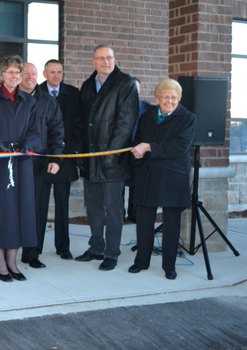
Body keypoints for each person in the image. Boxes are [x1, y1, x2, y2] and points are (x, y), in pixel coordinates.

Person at [0, 55, 41, 282]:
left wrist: (27, 146)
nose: (14, 76)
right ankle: (0, 261)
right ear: (1, 75)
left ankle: (13, 261)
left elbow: (35, 132)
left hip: (21, 165)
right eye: (10, 72)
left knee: (19, 212)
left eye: (17, 72)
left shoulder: (30, 102)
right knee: (0, 213)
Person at [75, 45, 138, 271]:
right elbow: (82, 123)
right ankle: (96, 248)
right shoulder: (87, 85)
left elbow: (125, 122)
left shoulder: (125, 83)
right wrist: (80, 154)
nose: (105, 62)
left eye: (109, 58)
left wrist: (111, 153)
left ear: (114, 60)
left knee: (113, 209)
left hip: (113, 159)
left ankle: (111, 253)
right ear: (93, 62)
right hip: (91, 158)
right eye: (101, 58)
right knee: (93, 206)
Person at [129, 79, 196, 280]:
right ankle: (141, 261)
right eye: (166, 97)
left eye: (174, 97)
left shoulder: (188, 118)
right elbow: (137, 140)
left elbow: (179, 147)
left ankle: (169, 266)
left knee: (172, 224)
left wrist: (148, 147)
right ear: (157, 99)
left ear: (179, 99)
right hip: (147, 174)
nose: (170, 101)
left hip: (173, 177)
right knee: (143, 221)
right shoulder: (147, 117)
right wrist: (137, 152)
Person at [18, 62, 64, 269]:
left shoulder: (48, 101)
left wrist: (55, 159)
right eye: (25, 73)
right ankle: (1, 252)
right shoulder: (8, 98)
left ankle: (32, 252)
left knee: (37, 209)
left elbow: (57, 132)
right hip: (11, 162)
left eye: (33, 74)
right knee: (9, 209)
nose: (30, 77)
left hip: (38, 163)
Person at [37, 59, 81, 260]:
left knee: (63, 205)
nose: (56, 75)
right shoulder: (35, 93)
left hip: (65, 157)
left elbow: (79, 126)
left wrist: (68, 152)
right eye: (52, 72)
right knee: (39, 205)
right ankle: (34, 247)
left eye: (59, 72)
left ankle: (63, 247)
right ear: (45, 74)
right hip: (41, 158)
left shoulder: (74, 94)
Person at [125, 77, 151, 222]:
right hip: (122, 153)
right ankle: (119, 215)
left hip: (140, 153)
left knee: (137, 185)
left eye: (135, 88)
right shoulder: (118, 107)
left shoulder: (148, 108)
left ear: (139, 90)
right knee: (120, 187)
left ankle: (134, 215)